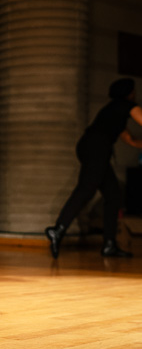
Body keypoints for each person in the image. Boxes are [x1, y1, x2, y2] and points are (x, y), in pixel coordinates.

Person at [46, 78, 142, 259]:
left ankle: (109, 244)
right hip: (97, 148)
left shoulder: (112, 110)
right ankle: (58, 229)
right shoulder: (127, 105)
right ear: (129, 93)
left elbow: (130, 140)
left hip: (90, 147)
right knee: (86, 189)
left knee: (113, 195)